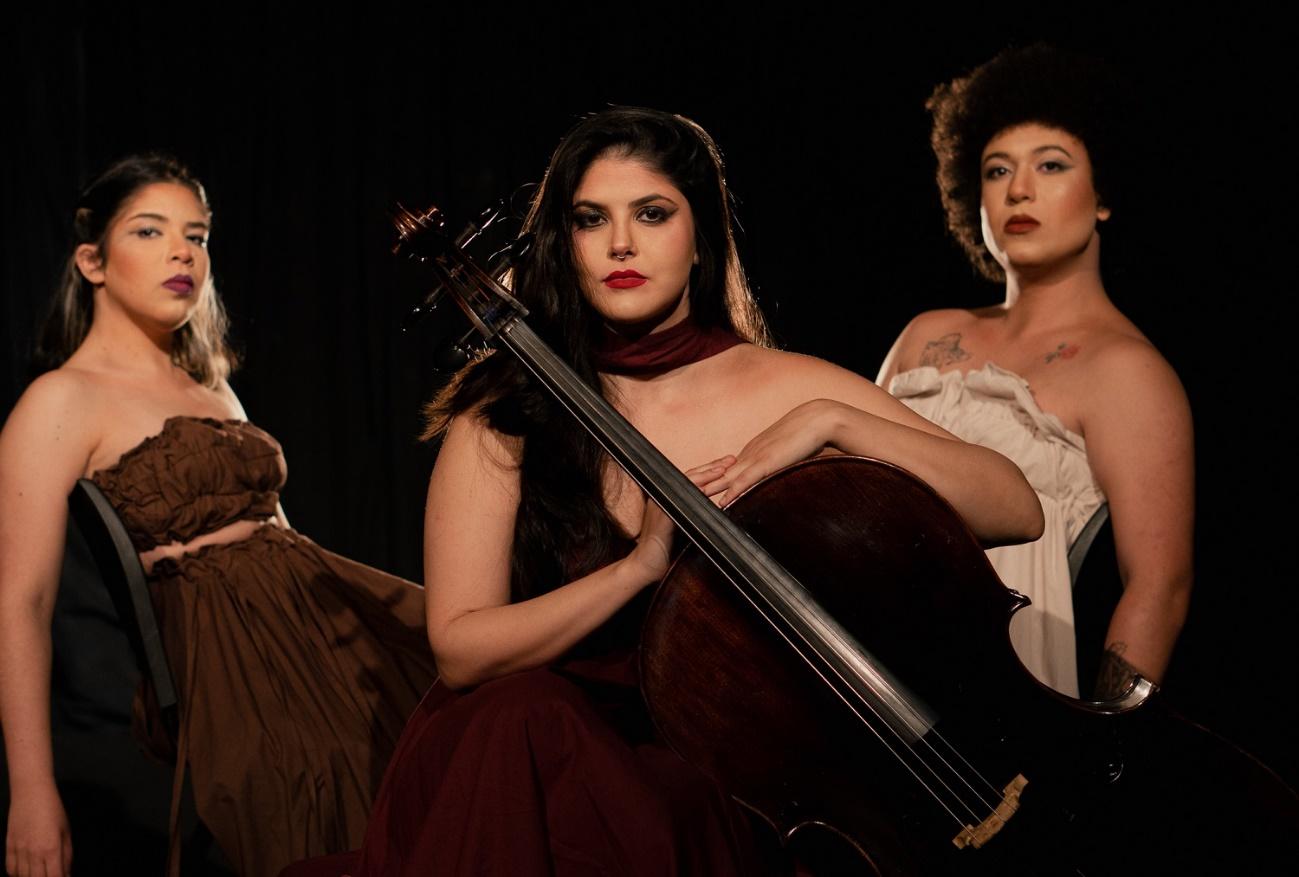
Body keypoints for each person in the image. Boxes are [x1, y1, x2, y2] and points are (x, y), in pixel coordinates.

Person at [352, 106, 1043, 876]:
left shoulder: (787, 385)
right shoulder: (506, 409)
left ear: (700, 235)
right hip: (546, 767)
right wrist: (636, 569)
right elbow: (460, 648)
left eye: (652, 213)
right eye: (590, 218)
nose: (620, 243)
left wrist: (832, 420)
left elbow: (1012, 506)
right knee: (524, 719)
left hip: (740, 776)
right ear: (563, 241)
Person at [0, 154, 438, 877]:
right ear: (92, 261)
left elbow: (279, 535)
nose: (183, 252)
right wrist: (31, 792)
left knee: (469, 685)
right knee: (324, 803)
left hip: (316, 614)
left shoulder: (211, 387)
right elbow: (23, 601)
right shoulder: (60, 399)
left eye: (197, 236)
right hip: (229, 657)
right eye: (150, 231)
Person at [877, 45, 1194, 700]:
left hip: (1000, 681)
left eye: (1050, 165)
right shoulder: (925, 334)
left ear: (1102, 193)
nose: (1018, 189)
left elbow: (1158, 585)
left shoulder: (1126, 371)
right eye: (997, 170)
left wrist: (1099, 736)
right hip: (860, 640)